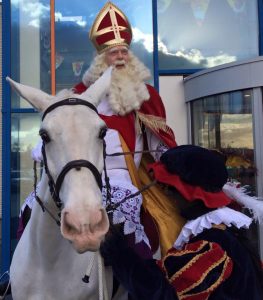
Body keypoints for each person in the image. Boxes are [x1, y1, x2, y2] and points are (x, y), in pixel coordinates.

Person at [16, 1, 185, 260]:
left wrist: (172, 166)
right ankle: (21, 266)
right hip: (76, 173)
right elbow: (59, 133)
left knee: (126, 217)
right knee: (32, 206)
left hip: (121, 178)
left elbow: (160, 145)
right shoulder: (80, 95)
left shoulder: (144, 96)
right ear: (100, 58)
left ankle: (138, 281)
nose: (120, 57)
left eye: (124, 51)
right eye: (112, 52)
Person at [100, 144, 263, 300]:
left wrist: (120, 253)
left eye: (168, 188)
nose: (165, 194)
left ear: (189, 194)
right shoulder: (224, 233)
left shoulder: (213, 245)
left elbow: (164, 295)